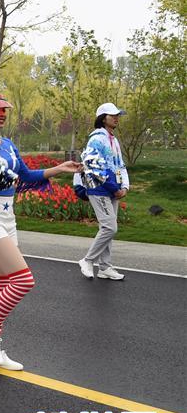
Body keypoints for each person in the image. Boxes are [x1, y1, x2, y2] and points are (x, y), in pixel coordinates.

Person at [0, 93, 80, 370]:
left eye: (4, 109)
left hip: (7, 218)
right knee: (23, 280)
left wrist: (59, 168)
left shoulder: (9, 145)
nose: (2, 114)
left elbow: (27, 176)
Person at [76, 103, 129, 280]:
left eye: (117, 115)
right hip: (98, 189)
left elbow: (120, 165)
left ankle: (105, 267)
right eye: (112, 115)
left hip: (112, 190)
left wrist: (124, 186)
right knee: (110, 228)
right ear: (103, 118)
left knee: (107, 229)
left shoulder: (113, 139)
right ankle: (88, 260)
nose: (116, 118)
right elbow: (94, 168)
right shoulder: (97, 139)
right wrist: (115, 188)